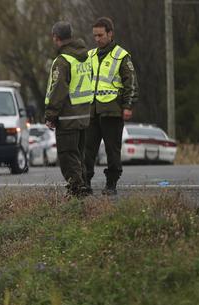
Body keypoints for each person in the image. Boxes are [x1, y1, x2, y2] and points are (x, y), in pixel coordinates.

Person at [83, 17, 138, 195]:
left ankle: (111, 184)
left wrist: (128, 105)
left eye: (100, 35)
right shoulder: (90, 56)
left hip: (112, 111)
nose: (97, 39)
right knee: (87, 149)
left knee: (112, 150)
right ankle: (85, 183)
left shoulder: (121, 56)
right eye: (95, 36)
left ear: (110, 34)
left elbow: (131, 83)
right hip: (92, 111)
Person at [44, 21, 93, 197]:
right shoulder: (85, 57)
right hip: (83, 115)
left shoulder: (63, 61)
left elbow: (58, 90)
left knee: (67, 155)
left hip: (67, 117)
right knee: (79, 154)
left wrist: (51, 114)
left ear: (56, 38)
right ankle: (84, 184)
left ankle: (77, 189)